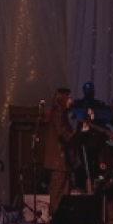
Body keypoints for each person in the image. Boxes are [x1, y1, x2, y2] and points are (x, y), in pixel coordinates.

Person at [42, 88, 72, 217]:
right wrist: (75, 136)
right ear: (63, 98)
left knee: (62, 188)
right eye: (69, 97)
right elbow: (62, 132)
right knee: (58, 189)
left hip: (60, 159)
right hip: (58, 159)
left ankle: (60, 216)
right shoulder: (59, 112)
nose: (71, 100)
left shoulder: (61, 112)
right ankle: (55, 216)